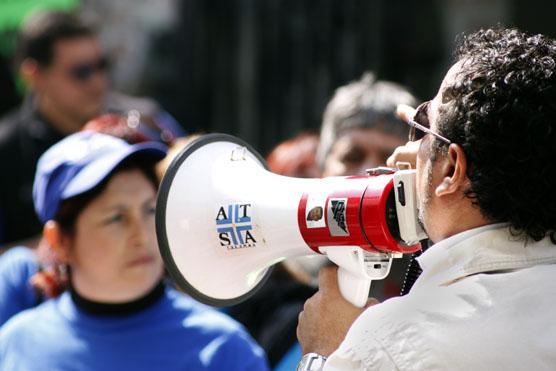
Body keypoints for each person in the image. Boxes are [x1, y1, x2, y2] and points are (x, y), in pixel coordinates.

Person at [296, 27, 556, 370]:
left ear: (451, 169)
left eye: (422, 128)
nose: (399, 157)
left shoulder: (393, 342)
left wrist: (324, 352)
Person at [0, 131, 269, 370]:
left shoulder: (224, 349)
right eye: (115, 218)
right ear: (59, 241)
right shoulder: (15, 346)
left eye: (149, 210)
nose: (142, 235)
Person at [0, 10, 184, 247]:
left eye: (102, 66)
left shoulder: (148, 122)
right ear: (33, 75)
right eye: (81, 72)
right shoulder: (6, 151)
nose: (98, 82)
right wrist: (69, 246)